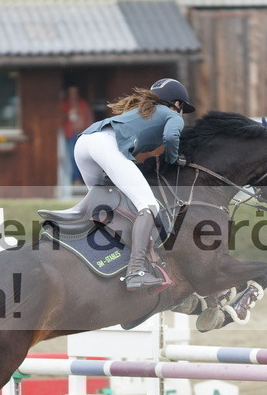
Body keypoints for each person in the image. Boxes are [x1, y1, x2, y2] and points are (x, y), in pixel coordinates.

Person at [73, 77, 195, 291]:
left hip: (83, 143)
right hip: (105, 145)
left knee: (102, 203)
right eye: (182, 107)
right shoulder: (173, 115)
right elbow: (170, 136)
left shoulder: (142, 111)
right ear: (177, 103)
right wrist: (173, 158)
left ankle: (92, 255)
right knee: (148, 205)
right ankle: (136, 270)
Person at [61, 85, 91, 184]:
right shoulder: (65, 104)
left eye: (75, 93)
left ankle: (85, 179)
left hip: (82, 134)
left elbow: (88, 117)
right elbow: (58, 118)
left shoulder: (82, 104)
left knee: (84, 157)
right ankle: (76, 178)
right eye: (71, 93)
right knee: (72, 157)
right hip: (70, 134)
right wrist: (67, 115)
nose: (73, 95)